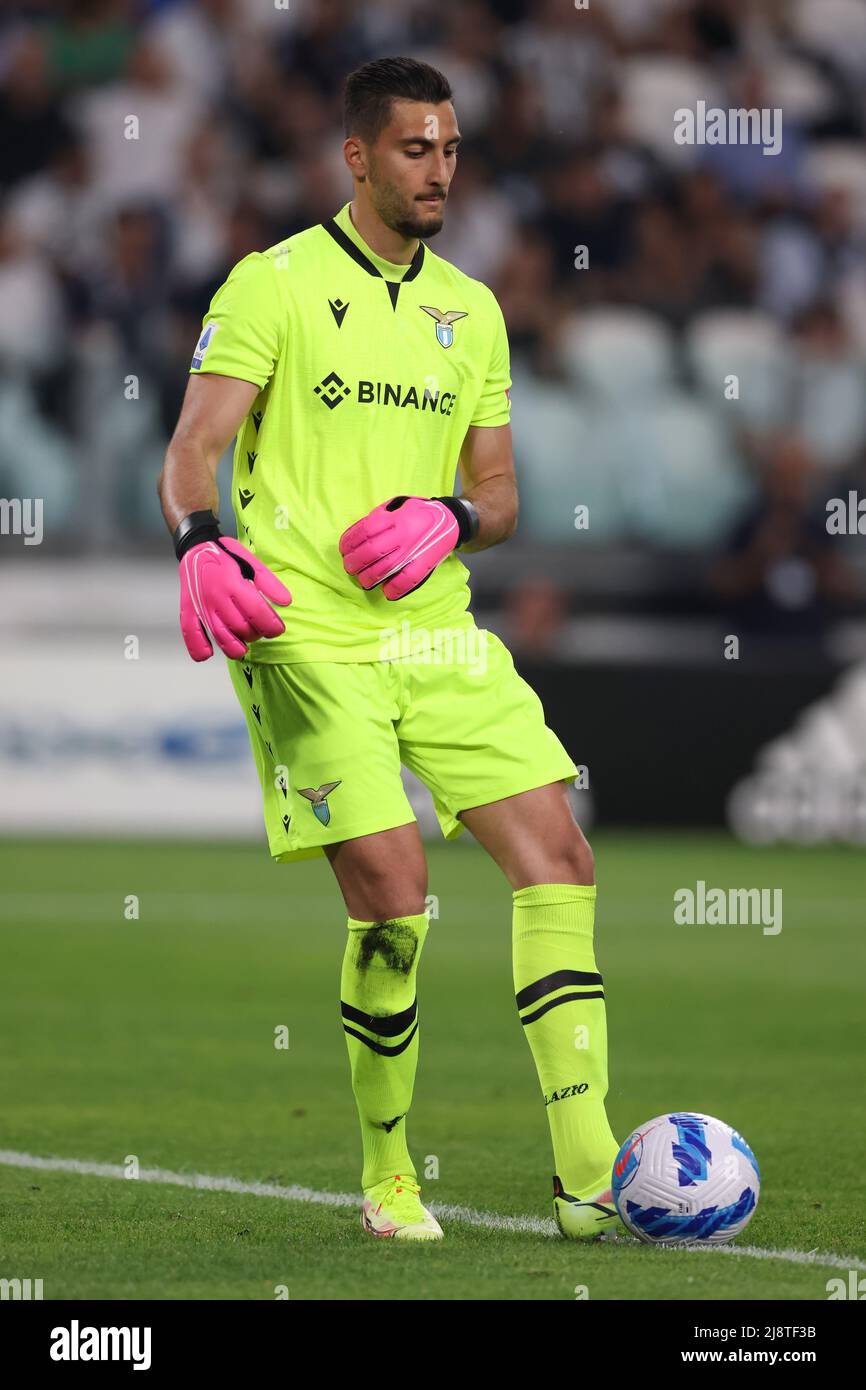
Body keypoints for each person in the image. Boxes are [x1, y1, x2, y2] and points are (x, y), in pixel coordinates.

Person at [158, 55, 621, 1242]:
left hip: (436, 633)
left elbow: (503, 494)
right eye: (415, 148)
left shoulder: (471, 310)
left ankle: (588, 1175)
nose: (439, 169)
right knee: (395, 898)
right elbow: (193, 445)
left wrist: (452, 519)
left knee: (558, 856)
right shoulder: (273, 286)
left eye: (452, 147)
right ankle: (386, 1170)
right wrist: (200, 542)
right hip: (304, 632)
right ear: (356, 156)